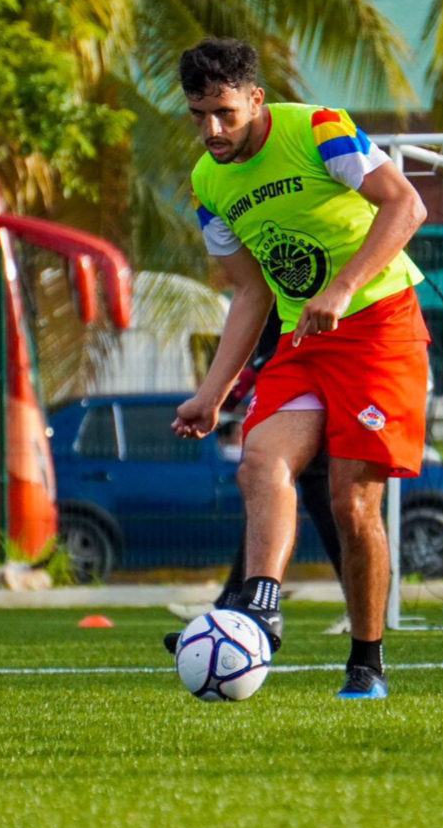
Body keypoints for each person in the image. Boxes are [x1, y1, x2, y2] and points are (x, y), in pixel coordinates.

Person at [166, 37, 429, 699]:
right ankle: (260, 606)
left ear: (256, 98)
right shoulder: (206, 184)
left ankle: (365, 660)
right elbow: (251, 292)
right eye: (198, 115)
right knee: (260, 460)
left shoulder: (318, 129)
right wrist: (210, 392)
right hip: (303, 340)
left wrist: (341, 287)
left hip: (379, 330)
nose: (212, 129)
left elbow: (406, 205)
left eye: (224, 111)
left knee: (349, 502)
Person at [167, 308, 350, 635]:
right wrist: (219, 395)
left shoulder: (303, 278)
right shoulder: (266, 284)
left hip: (324, 376)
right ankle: (241, 602)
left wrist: (233, 389)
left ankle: (360, 605)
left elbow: (275, 342)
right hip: (290, 380)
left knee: (335, 504)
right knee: (263, 484)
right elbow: (256, 321)